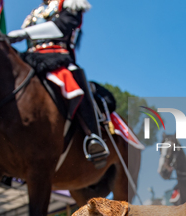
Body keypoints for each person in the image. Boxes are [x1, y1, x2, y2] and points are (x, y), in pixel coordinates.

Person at [7, 0, 110, 164]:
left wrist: (22, 34)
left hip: (57, 57)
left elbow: (62, 27)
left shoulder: (69, 3)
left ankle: (93, 137)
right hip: (29, 58)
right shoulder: (36, 11)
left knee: (74, 79)